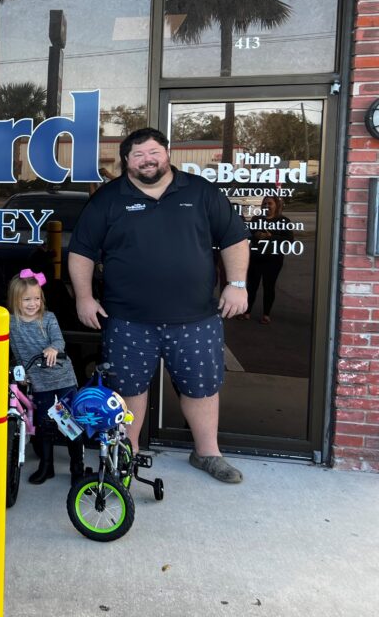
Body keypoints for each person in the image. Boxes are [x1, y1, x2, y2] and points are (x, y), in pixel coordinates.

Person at [68, 127, 249, 484]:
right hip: (128, 319)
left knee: (202, 387)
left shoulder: (199, 192)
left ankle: (208, 453)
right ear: (126, 161)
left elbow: (234, 238)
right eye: (138, 155)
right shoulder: (108, 198)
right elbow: (81, 251)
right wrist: (84, 297)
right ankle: (127, 457)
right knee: (128, 391)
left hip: (195, 317)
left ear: (167, 153)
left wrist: (237, 284)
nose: (147, 160)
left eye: (153, 152)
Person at [7, 269, 83, 485]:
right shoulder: (12, 323)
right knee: (44, 424)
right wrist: (20, 370)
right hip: (39, 381)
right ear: (15, 300)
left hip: (62, 378)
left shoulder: (48, 318)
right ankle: (46, 466)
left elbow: (59, 341)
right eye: (27, 299)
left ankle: (76, 467)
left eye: (37, 298)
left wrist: (52, 348)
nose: (33, 303)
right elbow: (14, 351)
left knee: (69, 422)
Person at [241, 196, 292, 325]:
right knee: (252, 286)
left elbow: (289, 240)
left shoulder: (284, 220)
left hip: (273, 260)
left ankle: (266, 314)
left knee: (269, 287)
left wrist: (271, 237)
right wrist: (255, 235)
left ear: (276, 205)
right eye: (264, 204)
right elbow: (247, 235)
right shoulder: (256, 219)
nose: (266, 206)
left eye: (270, 203)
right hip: (256, 258)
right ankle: (247, 312)